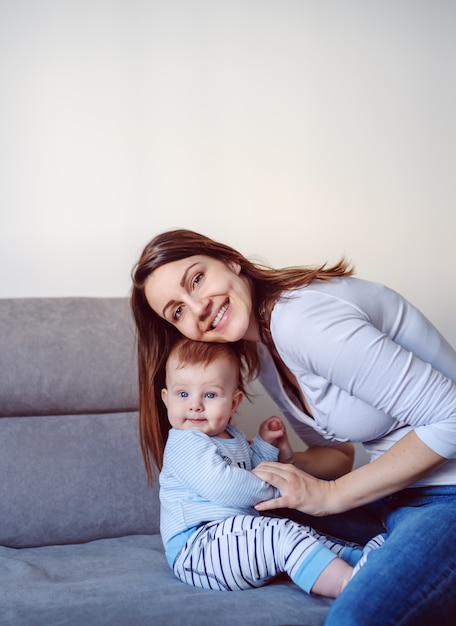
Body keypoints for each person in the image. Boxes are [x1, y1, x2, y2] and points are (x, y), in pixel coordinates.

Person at [131, 228, 456, 625]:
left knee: (353, 618)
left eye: (197, 279)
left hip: (446, 492)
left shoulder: (299, 319)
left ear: (230, 260)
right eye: (177, 311)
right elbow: (339, 455)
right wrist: (286, 464)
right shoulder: (263, 347)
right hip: (396, 493)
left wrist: (332, 496)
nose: (196, 308)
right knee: (250, 520)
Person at [159, 337, 372, 598]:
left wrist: (265, 446)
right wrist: (279, 491)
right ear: (167, 399)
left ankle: (365, 560)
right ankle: (351, 585)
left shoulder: (231, 436)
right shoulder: (185, 442)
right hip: (198, 548)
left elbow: (251, 471)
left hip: (235, 536)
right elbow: (226, 486)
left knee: (302, 533)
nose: (195, 405)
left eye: (210, 395)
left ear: (233, 403)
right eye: (183, 394)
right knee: (281, 535)